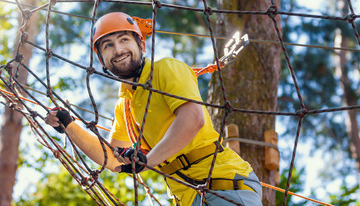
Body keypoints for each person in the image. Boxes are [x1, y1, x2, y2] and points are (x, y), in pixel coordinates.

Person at [45, 12, 263, 206]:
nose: (118, 49)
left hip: (224, 186)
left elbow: (192, 118)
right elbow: (112, 159)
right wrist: (68, 125)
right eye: (108, 45)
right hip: (190, 197)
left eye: (124, 39)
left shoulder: (166, 69)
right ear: (101, 60)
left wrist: (146, 160)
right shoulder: (125, 106)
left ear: (141, 45)